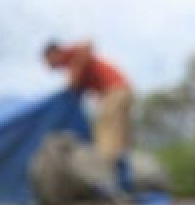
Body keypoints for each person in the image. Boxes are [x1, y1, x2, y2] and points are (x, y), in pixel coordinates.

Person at [44, 40, 133, 196]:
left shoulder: (70, 55)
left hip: (114, 91)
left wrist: (73, 77)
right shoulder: (73, 64)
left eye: (49, 61)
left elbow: (87, 44)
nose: (50, 66)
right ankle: (124, 183)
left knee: (106, 135)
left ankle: (108, 184)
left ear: (54, 53)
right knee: (118, 139)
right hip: (121, 90)